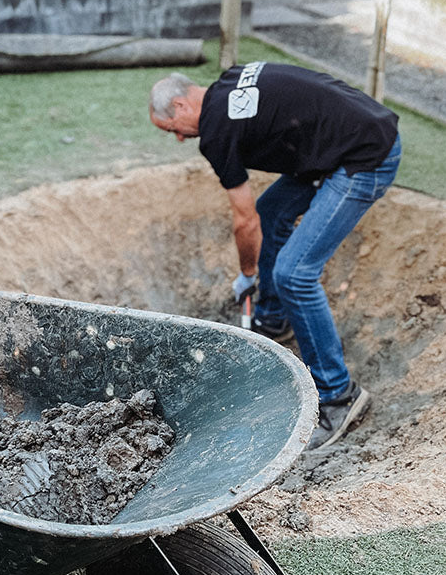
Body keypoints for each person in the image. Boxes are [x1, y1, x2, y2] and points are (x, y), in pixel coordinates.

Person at [149, 61, 401, 451]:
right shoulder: (230, 80)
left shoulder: (216, 132)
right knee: (274, 214)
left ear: (181, 106)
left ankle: (339, 395)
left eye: (173, 131)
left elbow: (244, 222)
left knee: (294, 273)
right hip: (340, 143)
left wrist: (248, 272)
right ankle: (274, 319)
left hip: (364, 157)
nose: (180, 139)